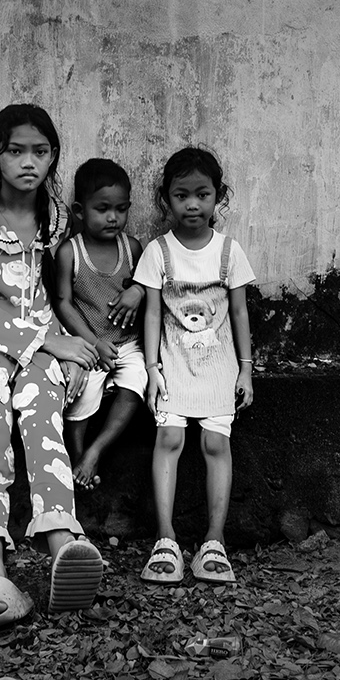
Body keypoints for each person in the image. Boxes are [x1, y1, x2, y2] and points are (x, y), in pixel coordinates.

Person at [0, 103, 104, 631]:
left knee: (43, 424)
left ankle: (62, 543)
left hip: (40, 347)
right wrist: (49, 343)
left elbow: (56, 293)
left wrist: (69, 348)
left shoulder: (56, 221)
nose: (28, 162)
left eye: (40, 151)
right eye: (16, 151)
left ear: (53, 157)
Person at [136, 146, 256, 585]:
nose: (192, 205)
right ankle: (165, 539)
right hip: (173, 363)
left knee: (215, 444)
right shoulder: (158, 252)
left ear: (217, 197)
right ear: (166, 199)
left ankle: (214, 541)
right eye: (181, 195)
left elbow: (240, 312)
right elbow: (152, 313)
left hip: (218, 365)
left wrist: (246, 369)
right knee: (169, 438)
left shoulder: (229, 251)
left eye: (202, 195)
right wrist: (152, 370)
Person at [51, 158, 148, 492]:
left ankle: (96, 451)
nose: (113, 218)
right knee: (82, 396)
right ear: (80, 211)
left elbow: (149, 285)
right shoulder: (70, 252)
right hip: (89, 343)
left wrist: (138, 290)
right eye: (103, 209)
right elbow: (62, 303)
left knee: (136, 383)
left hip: (128, 343)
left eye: (121, 209)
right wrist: (92, 342)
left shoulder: (132, 248)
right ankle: (78, 455)